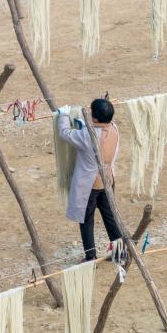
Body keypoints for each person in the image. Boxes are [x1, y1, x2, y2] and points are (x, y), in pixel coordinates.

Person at [56, 98, 124, 261]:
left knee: (86, 220)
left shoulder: (88, 135)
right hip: (107, 181)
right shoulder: (114, 129)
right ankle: (119, 252)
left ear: (94, 118)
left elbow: (65, 133)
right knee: (110, 217)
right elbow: (94, 131)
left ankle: (90, 255)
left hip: (90, 184)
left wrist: (64, 116)